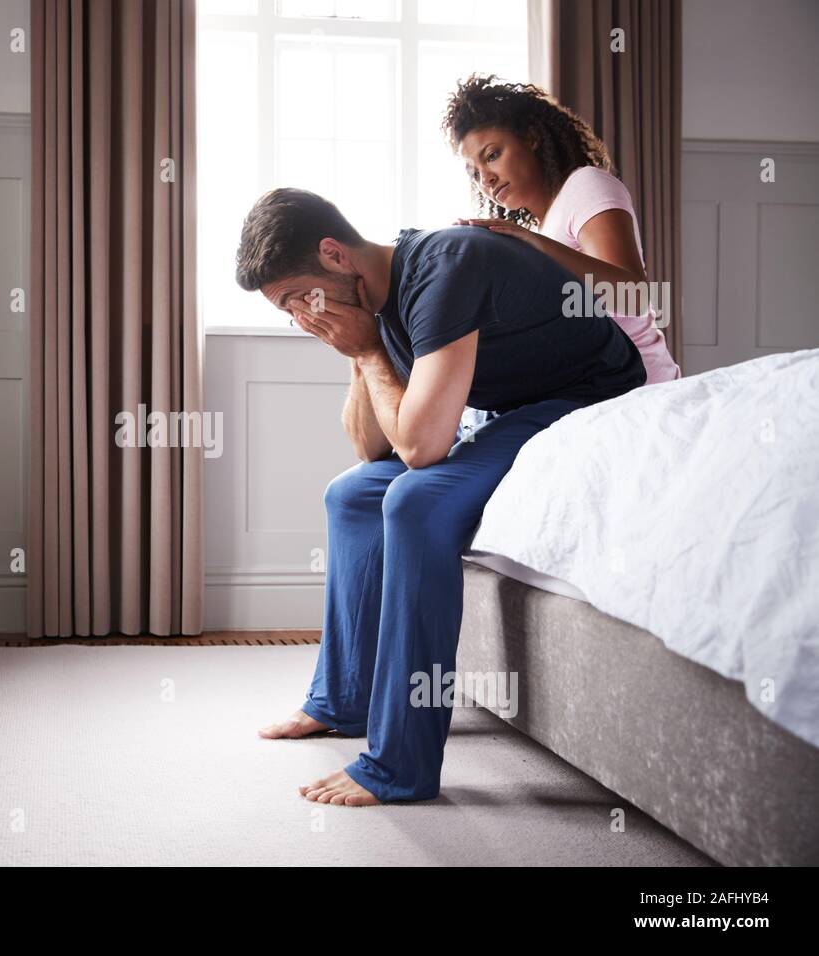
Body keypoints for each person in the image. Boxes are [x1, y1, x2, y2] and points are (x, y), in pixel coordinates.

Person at [235, 187, 645, 805]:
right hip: (512, 412)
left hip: (589, 400)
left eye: (299, 298)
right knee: (351, 496)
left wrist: (369, 349)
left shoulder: (445, 268)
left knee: (414, 501)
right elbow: (371, 451)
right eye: (287, 310)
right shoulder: (373, 301)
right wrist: (357, 353)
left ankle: (401, 765)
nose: (301, 318)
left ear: (334, 255)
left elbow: (422, 449)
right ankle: (343, 699)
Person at [443, 73, 681, 384]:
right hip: (588, 391)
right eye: (475, 173)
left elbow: (633, 296)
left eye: (492, 155)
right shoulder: (540, 228)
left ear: (531, 138)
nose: (485, 179)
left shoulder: (585, 185)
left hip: (640, 391)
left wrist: (532, 246)